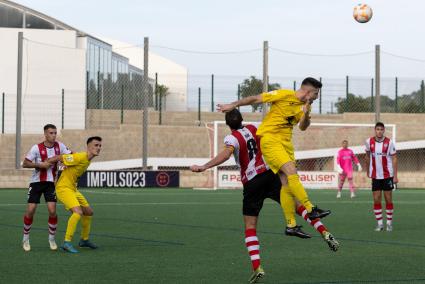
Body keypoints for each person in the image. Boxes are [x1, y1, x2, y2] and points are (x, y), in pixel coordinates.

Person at [191, 109, 339, 284]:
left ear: (227, 124)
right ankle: (325, 232)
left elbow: (226, 153)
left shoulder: (232, 138)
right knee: (297, 206)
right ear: (242, 119)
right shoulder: (255, 128)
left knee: (250, 226)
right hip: (270, 174)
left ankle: (257, 267)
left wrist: (205, 166)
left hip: (252, 182)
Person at [217, 78, 331, 235]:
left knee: (285, 183)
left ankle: (291, 225)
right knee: (292, 173)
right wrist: (234, 104)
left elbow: (303, 127)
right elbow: (256, 98)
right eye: (316, 94)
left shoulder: (305, 106)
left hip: (285, 144)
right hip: (270, 140)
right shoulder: (283, 95)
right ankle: (311, 208)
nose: (317, 97)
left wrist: (305, 114)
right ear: (307, 91)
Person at [47, 136, 102, 253]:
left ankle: (84, 240)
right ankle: (67, 242)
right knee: (78, 213)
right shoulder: (80, 157)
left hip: (73, 189)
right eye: (96, 145)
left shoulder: (87, 159)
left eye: (100, 146)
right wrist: (46, 163)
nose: (98, 148)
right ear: (89, 147)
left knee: (89, 212)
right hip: (63, 188)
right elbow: (60, 157)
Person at [21, 124, 72, 252]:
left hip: (50, 183)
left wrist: (68, 163)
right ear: (45, 134)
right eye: (51, 133)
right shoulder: (36, 148)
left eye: (55, 133)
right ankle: (25, 238)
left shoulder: (60, 146)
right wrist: (40, 165)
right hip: (36, 183)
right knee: (31, 210)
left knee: (52, 210)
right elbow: (25, 163)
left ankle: (52, 239)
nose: (54, 135)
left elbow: (71, 155)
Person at [365, 122, 398, 232]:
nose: (379, 131)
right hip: (375, 175)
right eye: (377, 129)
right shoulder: (368, 142)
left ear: (384, 130)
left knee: (388, 199)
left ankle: (389, 223)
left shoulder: (390, 142)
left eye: (381, 129)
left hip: (387, 175)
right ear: (375, 130)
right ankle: (380, 224)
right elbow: (367, 156)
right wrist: (367, 170)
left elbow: (394, 158)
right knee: (376, 199)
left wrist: (395, 176)